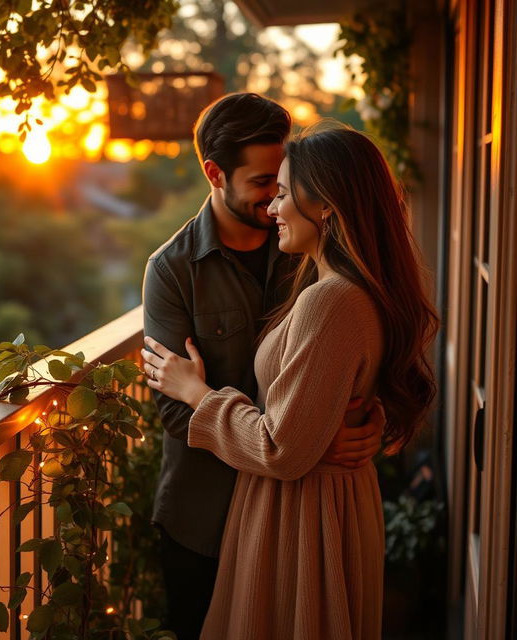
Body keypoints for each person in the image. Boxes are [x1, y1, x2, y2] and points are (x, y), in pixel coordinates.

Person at [142, 121, 438, 639]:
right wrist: (319, 431)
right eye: (265, 187)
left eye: (281, 192)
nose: (272, 207)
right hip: (224, 508)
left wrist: (196, 390)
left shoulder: (326, 291)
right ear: (217, 175)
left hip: (302, 510)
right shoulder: (176, 267)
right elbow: (320, 393)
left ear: (325, 204)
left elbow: (283, 444)